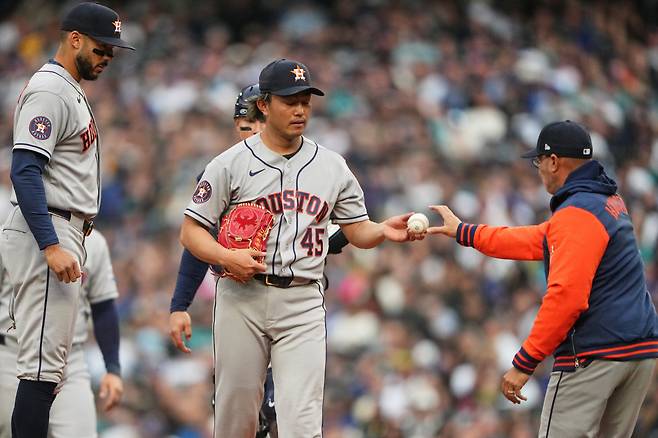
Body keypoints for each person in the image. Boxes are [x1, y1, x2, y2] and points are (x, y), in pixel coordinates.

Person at [179, 58, 421, 437]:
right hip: (241, 298)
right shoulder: (230, 164)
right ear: (264, 104)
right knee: (235, 418)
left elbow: (357, 231)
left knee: (302, 423)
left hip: (303, 300)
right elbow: (191, 232)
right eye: (290, 101)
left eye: (306, 101)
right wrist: (226, 257)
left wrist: (382, 232)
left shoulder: (332, 166)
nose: (300, 110)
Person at [429, 120, 658, 437]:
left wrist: (524, 363)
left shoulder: (577, 211)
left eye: (539, 161)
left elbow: (567, 297)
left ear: (554, 161)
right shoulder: (604, 200)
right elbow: (537, 239)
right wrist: (464, 232)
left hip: (596, 353)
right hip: (637, 351)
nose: (537, 169)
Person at [169, 84, 350, 438]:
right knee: (237, 416)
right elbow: (195, 241)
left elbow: (340, 230)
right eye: (243, 126)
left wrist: (318, 244)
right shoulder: (225, 170)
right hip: (241, 303)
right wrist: (180, 304)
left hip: (295, 304)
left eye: (255, 124)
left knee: (289, 415)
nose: (250, 133)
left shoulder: (308, 171)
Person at [0, 3, 133, 437]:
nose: (107, 57)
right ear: (74, 38)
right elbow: (24, 169)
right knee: (40, 372)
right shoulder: (51, 90)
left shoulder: (68, 88)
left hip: (62, 227)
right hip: (50, 227)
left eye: (112, 51)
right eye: (101, 48)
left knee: (47, 372)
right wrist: (50, 244)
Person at [0, 229, 123, 438]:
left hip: (69, 361)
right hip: (13, 355)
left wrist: (112, 367)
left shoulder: (94, 242)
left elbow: (103, 307)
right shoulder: (12, 231)